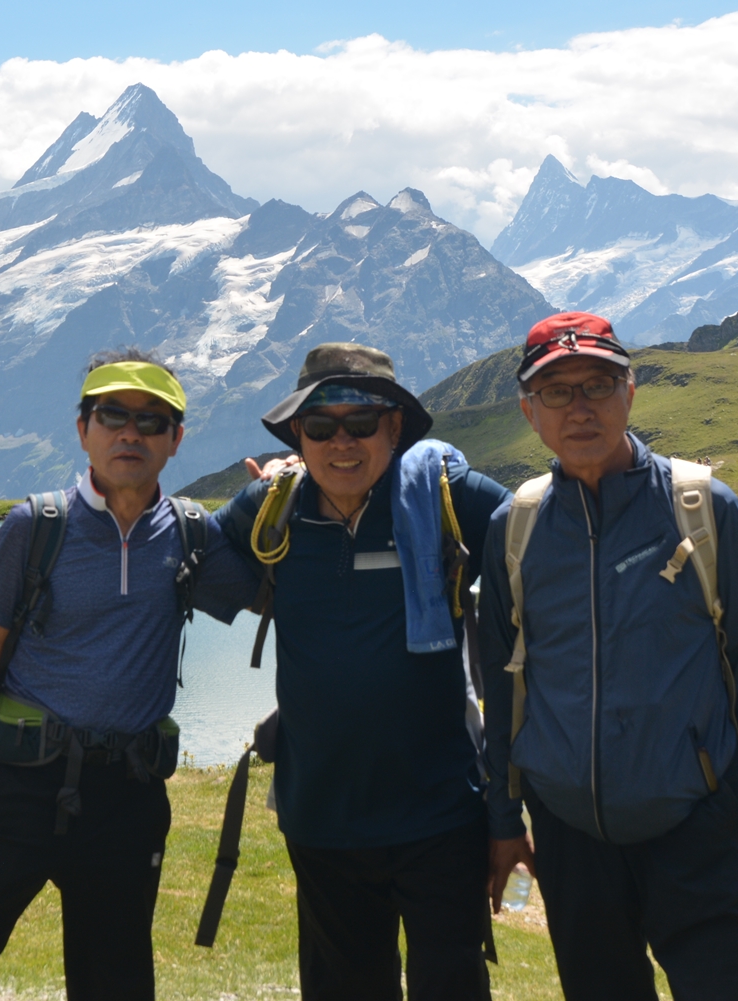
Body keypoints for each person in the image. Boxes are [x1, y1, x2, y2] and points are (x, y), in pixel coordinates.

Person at [0, 352, 243, 1001]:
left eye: (151, 420)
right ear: (83, 429)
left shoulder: (192, 536)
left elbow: (281, 586)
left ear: (175, 438)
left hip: (128, 796)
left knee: (116, 985)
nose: (130, 433)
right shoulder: (36, 526)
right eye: (112, 416)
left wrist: (283, 489)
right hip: (21, 788)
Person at [479, 312, 738, 1001]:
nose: (580, 407)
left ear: (630, 391)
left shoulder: (703, 509)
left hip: (699, 826)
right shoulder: (515, 528)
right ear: (529, 411)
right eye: (557, 391)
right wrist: (505, 824)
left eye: (598, 384)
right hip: (571, 837)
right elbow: (502, 693)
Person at [207, 342, 512, 1001]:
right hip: (321, 819)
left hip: (443, 813)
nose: (341, 442)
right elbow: (190, 557)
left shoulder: (450, 495)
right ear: (298, 435)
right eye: (321, 426)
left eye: (362, 422)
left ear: (394, 427)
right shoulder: (271, 509)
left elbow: (544, 547)